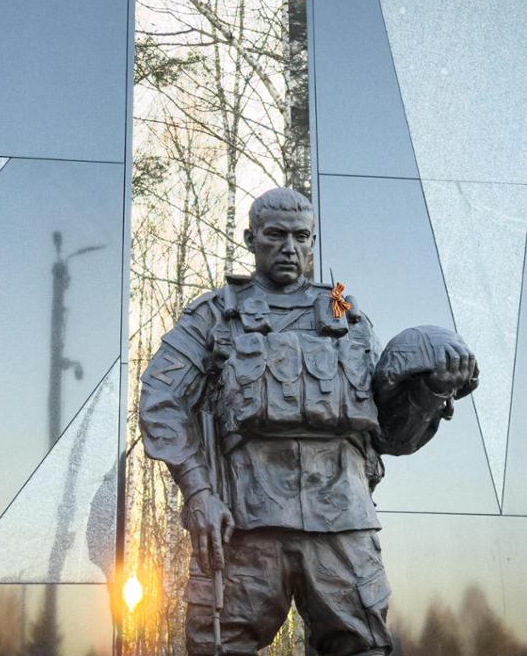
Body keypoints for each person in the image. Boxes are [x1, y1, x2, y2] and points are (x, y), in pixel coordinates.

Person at [139, 186, 478, 656]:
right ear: (251, 238)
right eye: (275, 235)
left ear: (313, 240)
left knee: (362, 646)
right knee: (220, 646)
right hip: (247, 523)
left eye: (302, 237)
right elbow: (161, 399)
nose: (290, 248)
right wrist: (198, 491)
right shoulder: (216, 316)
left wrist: (431, 391)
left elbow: (388, 434)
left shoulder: (346, 318)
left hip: (341, 521)